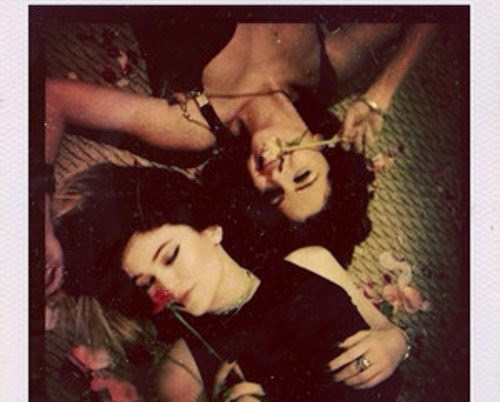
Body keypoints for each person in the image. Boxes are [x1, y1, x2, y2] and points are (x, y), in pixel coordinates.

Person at [44, 19, 437, 295]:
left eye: (272, 193)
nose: (276, 173)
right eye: (302, 177)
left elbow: (51, 99)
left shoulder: (193, 127)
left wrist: (39, 224)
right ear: (324, 146)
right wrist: (380, 96)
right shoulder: (328, 69)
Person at [54, 163, 412, 402]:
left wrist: (394, 344)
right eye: (145, 283)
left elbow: (389, 332)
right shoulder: (180, 378)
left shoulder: (311, 261)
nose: (165, 287)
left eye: (170, 256)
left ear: (210, 228)